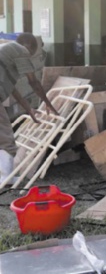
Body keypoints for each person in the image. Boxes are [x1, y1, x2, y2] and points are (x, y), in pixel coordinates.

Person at [0, 33, 60, 182]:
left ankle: (4, 174)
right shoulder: (20, 50)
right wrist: (48, 103)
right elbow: (34, 82)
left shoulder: (7, 53)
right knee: (6, 137)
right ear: (30, 47)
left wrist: (29, 109)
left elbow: (14, 90)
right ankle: (5, 178)